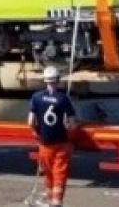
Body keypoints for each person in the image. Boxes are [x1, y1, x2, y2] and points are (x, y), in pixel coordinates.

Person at [27, 66, 78, 207]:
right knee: (59, 173)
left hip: (45, 143)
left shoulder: (36, 97)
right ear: (58, 81)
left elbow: (30, 122)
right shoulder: (63, 99)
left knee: (48, 174)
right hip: (61, 142)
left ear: (45, 80)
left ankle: (51, 201)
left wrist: (37, 133)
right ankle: (57, 202)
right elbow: (73, 124)